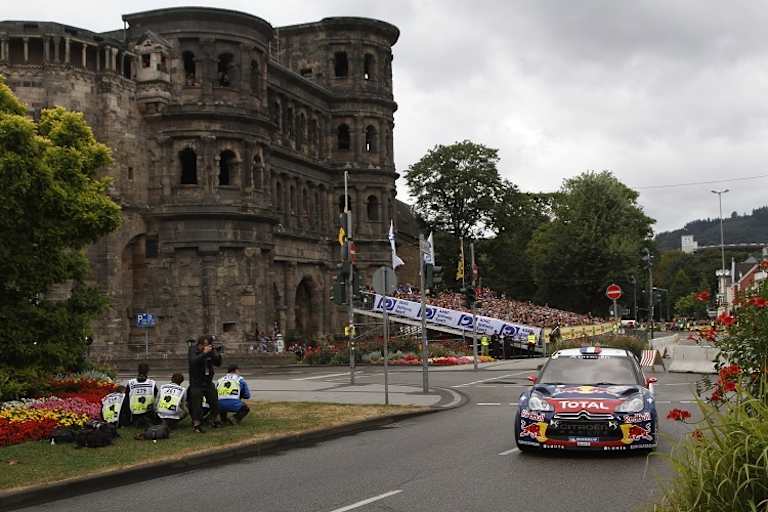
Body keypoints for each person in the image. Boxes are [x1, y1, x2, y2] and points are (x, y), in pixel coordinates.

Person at [188, 335, 222, 433]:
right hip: (196, 382)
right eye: (204, 345)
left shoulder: (210, 351)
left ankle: (214, 420)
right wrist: (204, 353)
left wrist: (216, 353)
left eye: (208, 345)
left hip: (207, 382)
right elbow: (193, 361)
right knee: (197, 405)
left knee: (214, 401)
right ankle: (196, 425)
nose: (206, 346)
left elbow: (218, 363)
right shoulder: (193, 349)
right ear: (200, 344)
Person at [126, 363, 157, 429]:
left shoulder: (130, 383)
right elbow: (157, 397)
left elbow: (126, 398)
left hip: (134, 412)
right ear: (148, 371)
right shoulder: (152, 383)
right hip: (148, 413)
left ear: (138, 370)